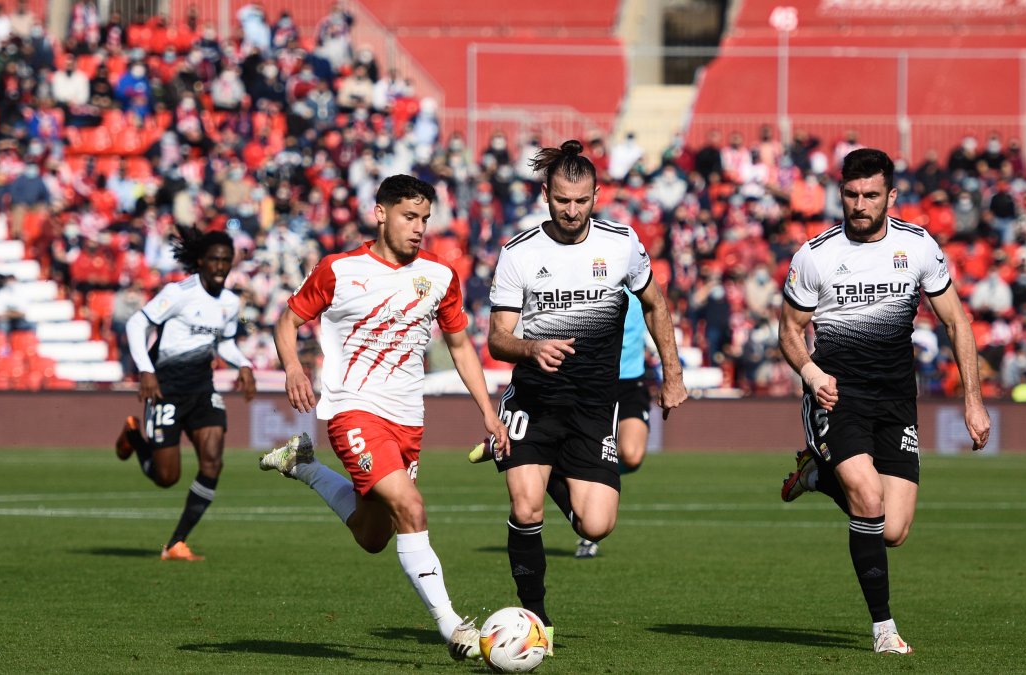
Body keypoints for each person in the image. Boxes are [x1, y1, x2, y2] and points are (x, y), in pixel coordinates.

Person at [259, 175, 508, 662]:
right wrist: (293, 367)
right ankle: (453, 627)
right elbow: (287, 320)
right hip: (353, 409)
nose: (419, 228)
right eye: (409, 217)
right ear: (380, 213)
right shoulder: (339, 269)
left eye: (425, 219)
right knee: (411, 507)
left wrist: (488, 411)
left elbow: (460, 345)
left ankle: (302, 465)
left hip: (407, 420)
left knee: (374, 537)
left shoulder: (439, 276)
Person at [777, 148, 990, 654]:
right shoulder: (816, 255)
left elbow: (958, 322)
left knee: (892, 529)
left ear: (891, 196)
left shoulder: (917, 247)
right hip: (837, 398)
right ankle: (884, 630)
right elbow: (788, 330)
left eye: (871, 194)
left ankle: (816, 474)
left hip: (896, 401)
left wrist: (973, 401)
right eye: (851, 194)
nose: (860, 203)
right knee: (869, 502)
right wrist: (809, 371)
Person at [484, 139, 687, 647]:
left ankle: (547, 473)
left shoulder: (621, 244)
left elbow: (657, 306)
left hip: (595, 407)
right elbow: (497, 338)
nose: (571, 211)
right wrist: (530, 350)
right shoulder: (519, 252)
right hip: (533, 402)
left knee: (596, 526)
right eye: (560, 201)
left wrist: (674, 373)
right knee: (525, 508)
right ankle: (535, 621)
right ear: (545, 195)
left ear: (596, 195)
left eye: (580, 200)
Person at [115, 227, 257, 561]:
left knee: (213, 461)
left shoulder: (230, 301)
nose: (220, 266)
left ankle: (176, 542)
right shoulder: (178, 293)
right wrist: (146, 371)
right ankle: (135, 435)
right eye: (214, 260)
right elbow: (137, 323)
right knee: (166, 477)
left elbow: (224, 343)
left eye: (226, 260)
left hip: (202, 388)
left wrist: (244, 364)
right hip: (166, 387)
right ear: (200, 262)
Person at [574, 289, 653, 559]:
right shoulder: (591, 281)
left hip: (630, 381)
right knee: (591, 452)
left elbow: (658, 316)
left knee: (631, 455)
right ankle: (588, 513)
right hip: (593, 382)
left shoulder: (642, 283)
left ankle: (593, 480)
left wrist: (672, 371)